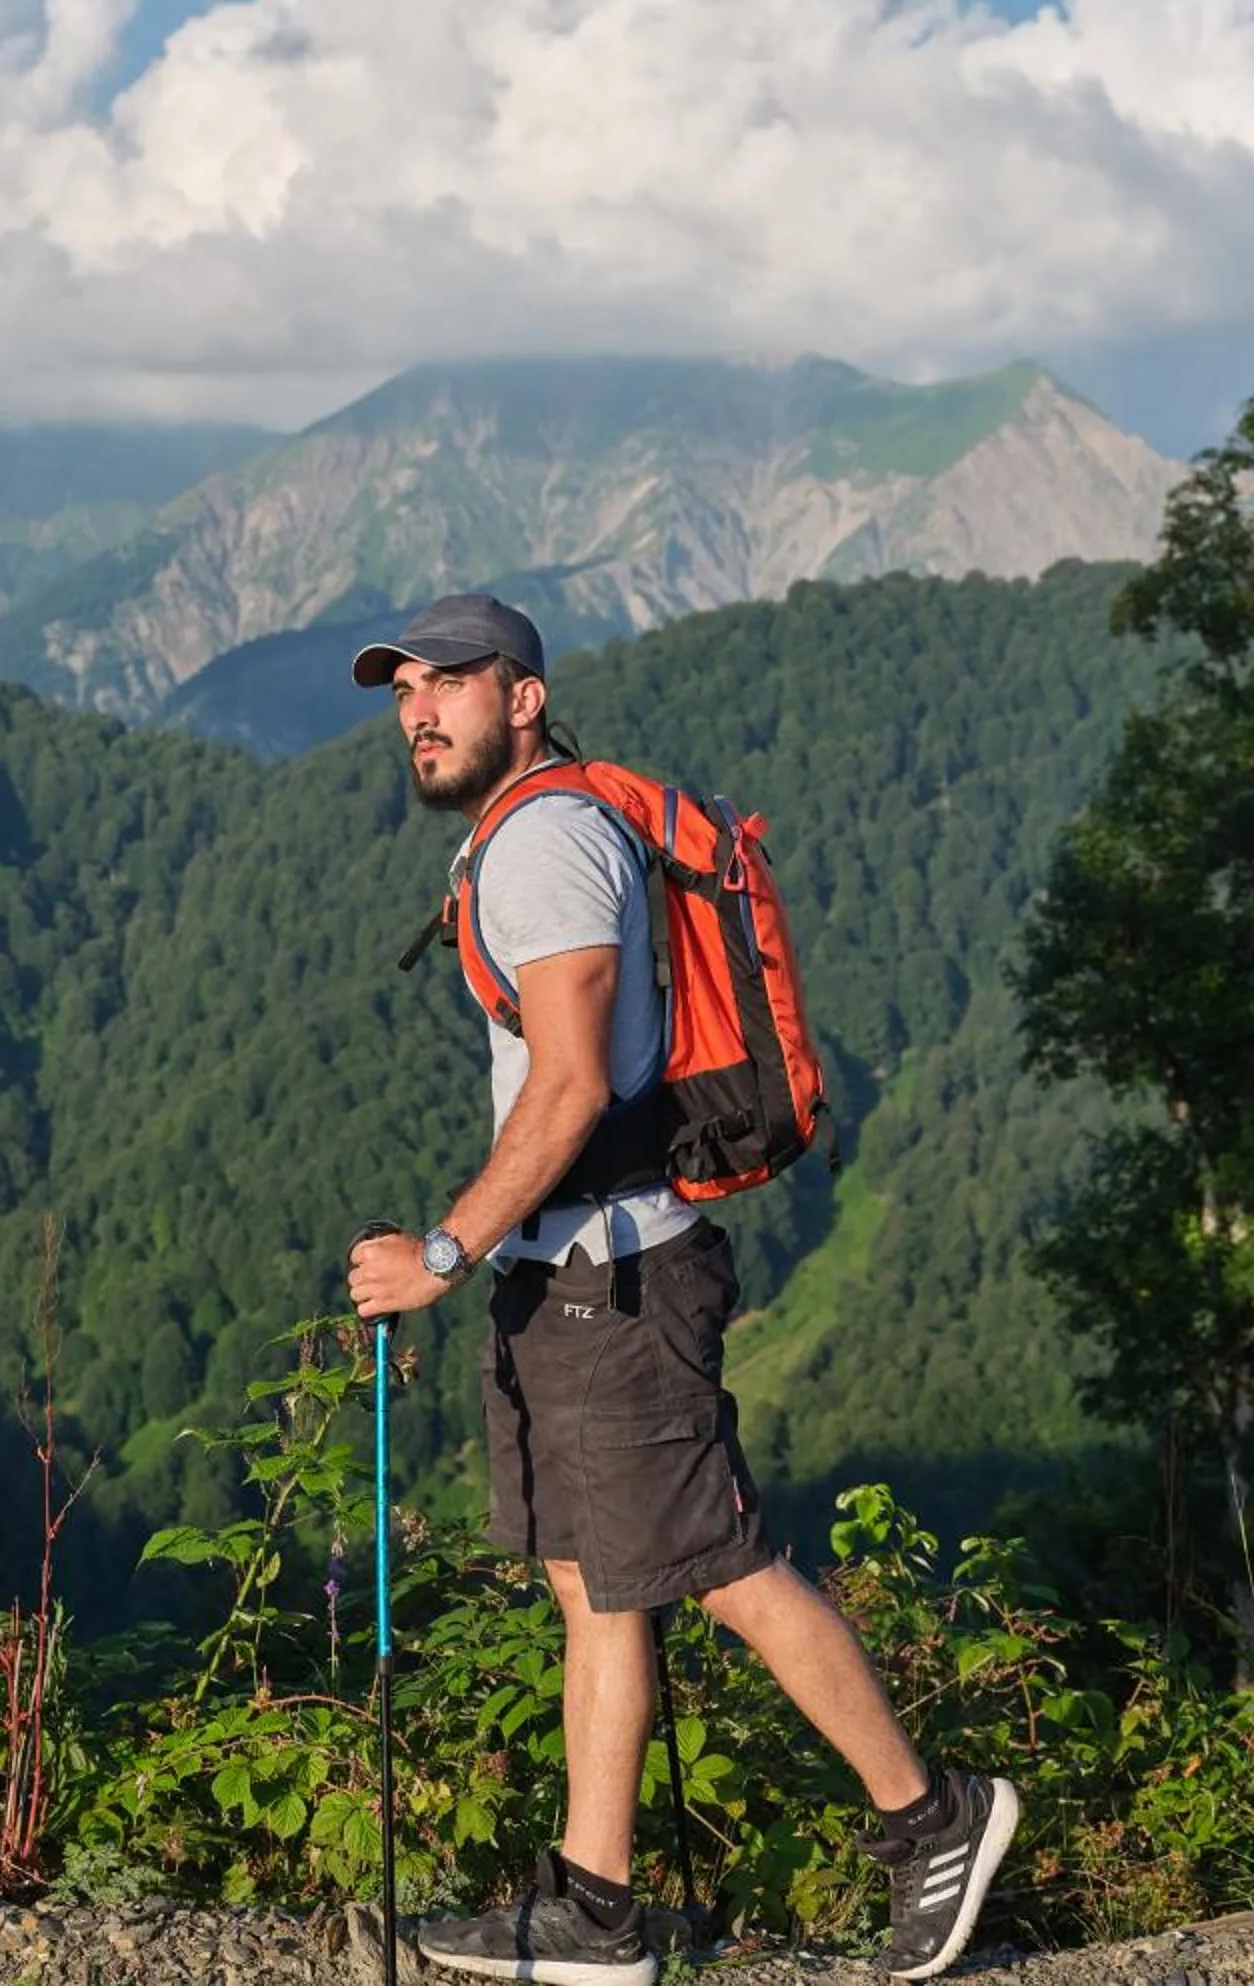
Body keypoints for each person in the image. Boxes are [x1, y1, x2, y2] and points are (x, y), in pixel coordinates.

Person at [343, 592, 1021, 1986]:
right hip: (572, 1272)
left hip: (614, 1277)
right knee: (599, 1586)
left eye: (452, 682)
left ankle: (934, 1820)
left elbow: (577, 1081)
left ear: (524, 697)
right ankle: (595, 1909)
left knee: (721, 1563)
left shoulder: (542, 845)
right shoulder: (532, 831)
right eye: (405, 687)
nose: (421, 708)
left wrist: (446, 1251)